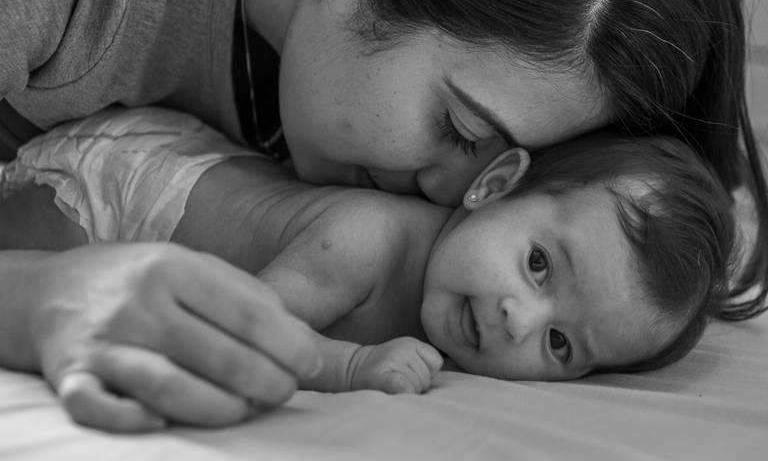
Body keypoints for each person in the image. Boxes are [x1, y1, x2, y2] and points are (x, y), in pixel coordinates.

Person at [1, 0, 766, 431]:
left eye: (506, 166)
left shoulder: (372, 153)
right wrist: (37, 299)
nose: (457, 187)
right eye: (462, 128)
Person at [0, 106, 741, 429]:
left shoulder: (458, 295)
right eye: (540, 265)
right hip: (119, 187)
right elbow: (249, 320)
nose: (520, 317)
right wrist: (350, 366)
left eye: (561, 346)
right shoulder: (369, 238)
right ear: (491, 188)